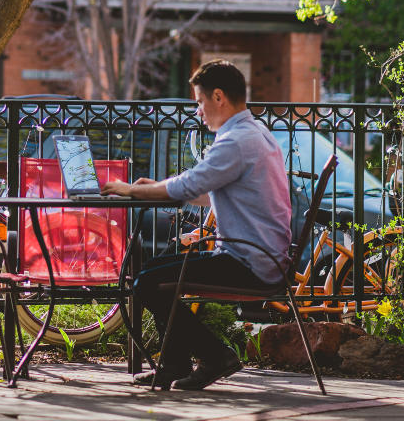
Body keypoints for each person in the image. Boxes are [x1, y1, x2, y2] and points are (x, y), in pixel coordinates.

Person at [102, 58, 291, 390]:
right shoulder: (255, 133)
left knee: (146, 282)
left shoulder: (236, 141)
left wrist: (132, 190)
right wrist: (156, 187)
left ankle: (214, 356)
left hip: (249, 262)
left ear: (219, 97)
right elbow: (209, 190)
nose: (198, 111)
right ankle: (175, 365)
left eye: (200, 102)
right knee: (153, 273)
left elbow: (189, 185)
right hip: (261, 256)